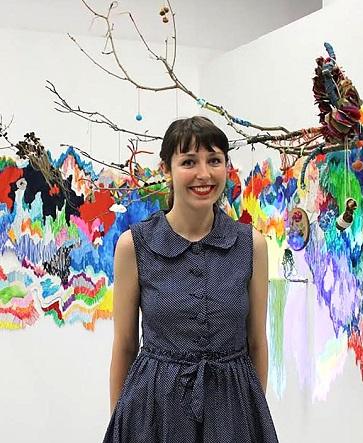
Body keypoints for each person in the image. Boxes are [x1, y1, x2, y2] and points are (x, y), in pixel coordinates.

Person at [102, 116, 279, 442]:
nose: (204, 174)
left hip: (233, 409)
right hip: (155, 411)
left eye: (214, 160)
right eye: (188, 162)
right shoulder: (133, 246)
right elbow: (125, 346)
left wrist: (252, 414)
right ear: (166, 170)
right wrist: (120, 424)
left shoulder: (251, 245)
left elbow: (257, 342)